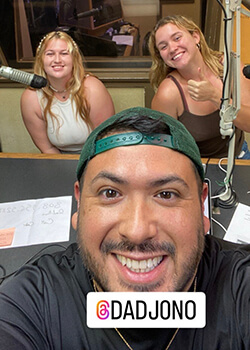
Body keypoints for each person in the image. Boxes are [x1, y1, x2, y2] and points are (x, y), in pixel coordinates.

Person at [0, 107, 249, 349]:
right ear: (79, 202)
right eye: (110, 193)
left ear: (202, 204)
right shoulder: (32, 303)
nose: (137, 231)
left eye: (166, 194)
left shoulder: (241, 286)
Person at [148, 15, 250, 159]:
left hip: (238, 157)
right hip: (196, 166)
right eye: (163, 46)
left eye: (177, 38)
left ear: (195, 37)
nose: (172, 48)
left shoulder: (229, 65)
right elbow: (163, 153)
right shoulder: (168, 93)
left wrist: (215, 96)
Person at [20, 31, 115, 154]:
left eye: (64, 53)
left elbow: (105, 140)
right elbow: (47, 149)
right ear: (41, 60)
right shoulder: (31, 98)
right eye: (50, 54)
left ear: (74, 59)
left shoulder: (92, 88)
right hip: (59, 161)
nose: (57, 60)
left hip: (97, 156)